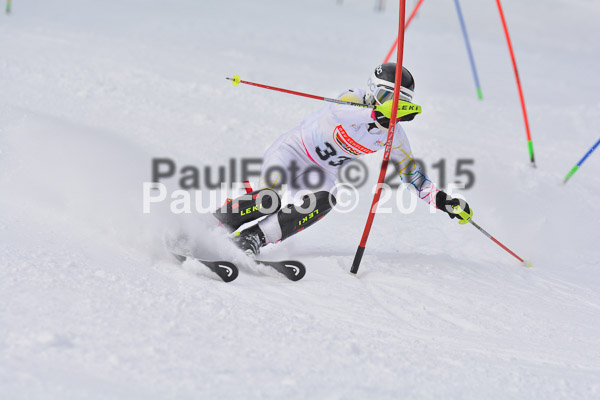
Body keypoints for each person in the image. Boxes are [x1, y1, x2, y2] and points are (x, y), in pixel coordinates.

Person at [214, 63, 472, 255]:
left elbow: (413, 177)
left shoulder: (393, 134)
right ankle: (215, 223)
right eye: (387, 98)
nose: (391, 107)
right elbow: (339, 111)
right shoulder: (353, 98)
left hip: (321, 173)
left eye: (400, 102)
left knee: (327, 199)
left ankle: (253, 239)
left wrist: (443, 200)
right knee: (269, 198)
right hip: (292, 153)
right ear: (373, 92)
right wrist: (375, 115)